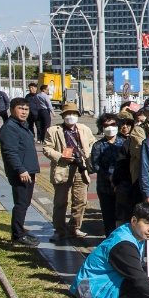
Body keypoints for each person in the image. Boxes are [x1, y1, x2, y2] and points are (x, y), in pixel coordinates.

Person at [44, 102, 95, 241]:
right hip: (63, 168)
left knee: (80, 200)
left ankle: (75, 227)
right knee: (61, 201)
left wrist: (86, 155)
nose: (71, 117)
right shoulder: (53, 130)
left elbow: (92, 143)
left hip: (80, 168)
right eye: (68, 114)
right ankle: (59, 230)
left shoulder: (84, 129)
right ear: (63, 116)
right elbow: (47, 149)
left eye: (73, 114)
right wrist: (61, 156)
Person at [0, 96, 41, 246]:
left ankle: (20, 231)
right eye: (20, 109)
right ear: (11, 110)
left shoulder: (22, 125)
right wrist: (20, 170)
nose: (24, 112)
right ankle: (18, 235)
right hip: (21, 172)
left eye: (26, 109)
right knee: (21, 203)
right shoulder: (10, 127)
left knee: (25, 202)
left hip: (28, 170)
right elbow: (10, 152)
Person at [90, 112, 132, 236]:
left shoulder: (124, 142)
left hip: (123, 186)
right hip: (105, 187)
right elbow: (96, 165)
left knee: (124, 217)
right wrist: (109, 176)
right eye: (106, 125)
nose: (110, 128)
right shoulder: (98, 145)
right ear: (101, 128)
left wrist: (119, 179)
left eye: (113, 124)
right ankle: (110, 242)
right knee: (109, 218)